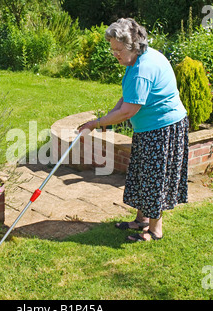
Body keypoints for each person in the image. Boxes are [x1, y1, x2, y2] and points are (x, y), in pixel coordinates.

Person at [78, 18, 189, 242]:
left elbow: (128, 111)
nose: (115, 54)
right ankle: (141, 220)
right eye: (113, 50)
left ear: (132, 46)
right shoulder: (136, 61)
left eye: (118, 49)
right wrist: (107, 117)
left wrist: (96, 123)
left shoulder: (143, 69)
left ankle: (155, 230)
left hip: (163, 129)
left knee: (154, 178)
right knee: (142, 173)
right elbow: (127, 98)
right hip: (150, 129)